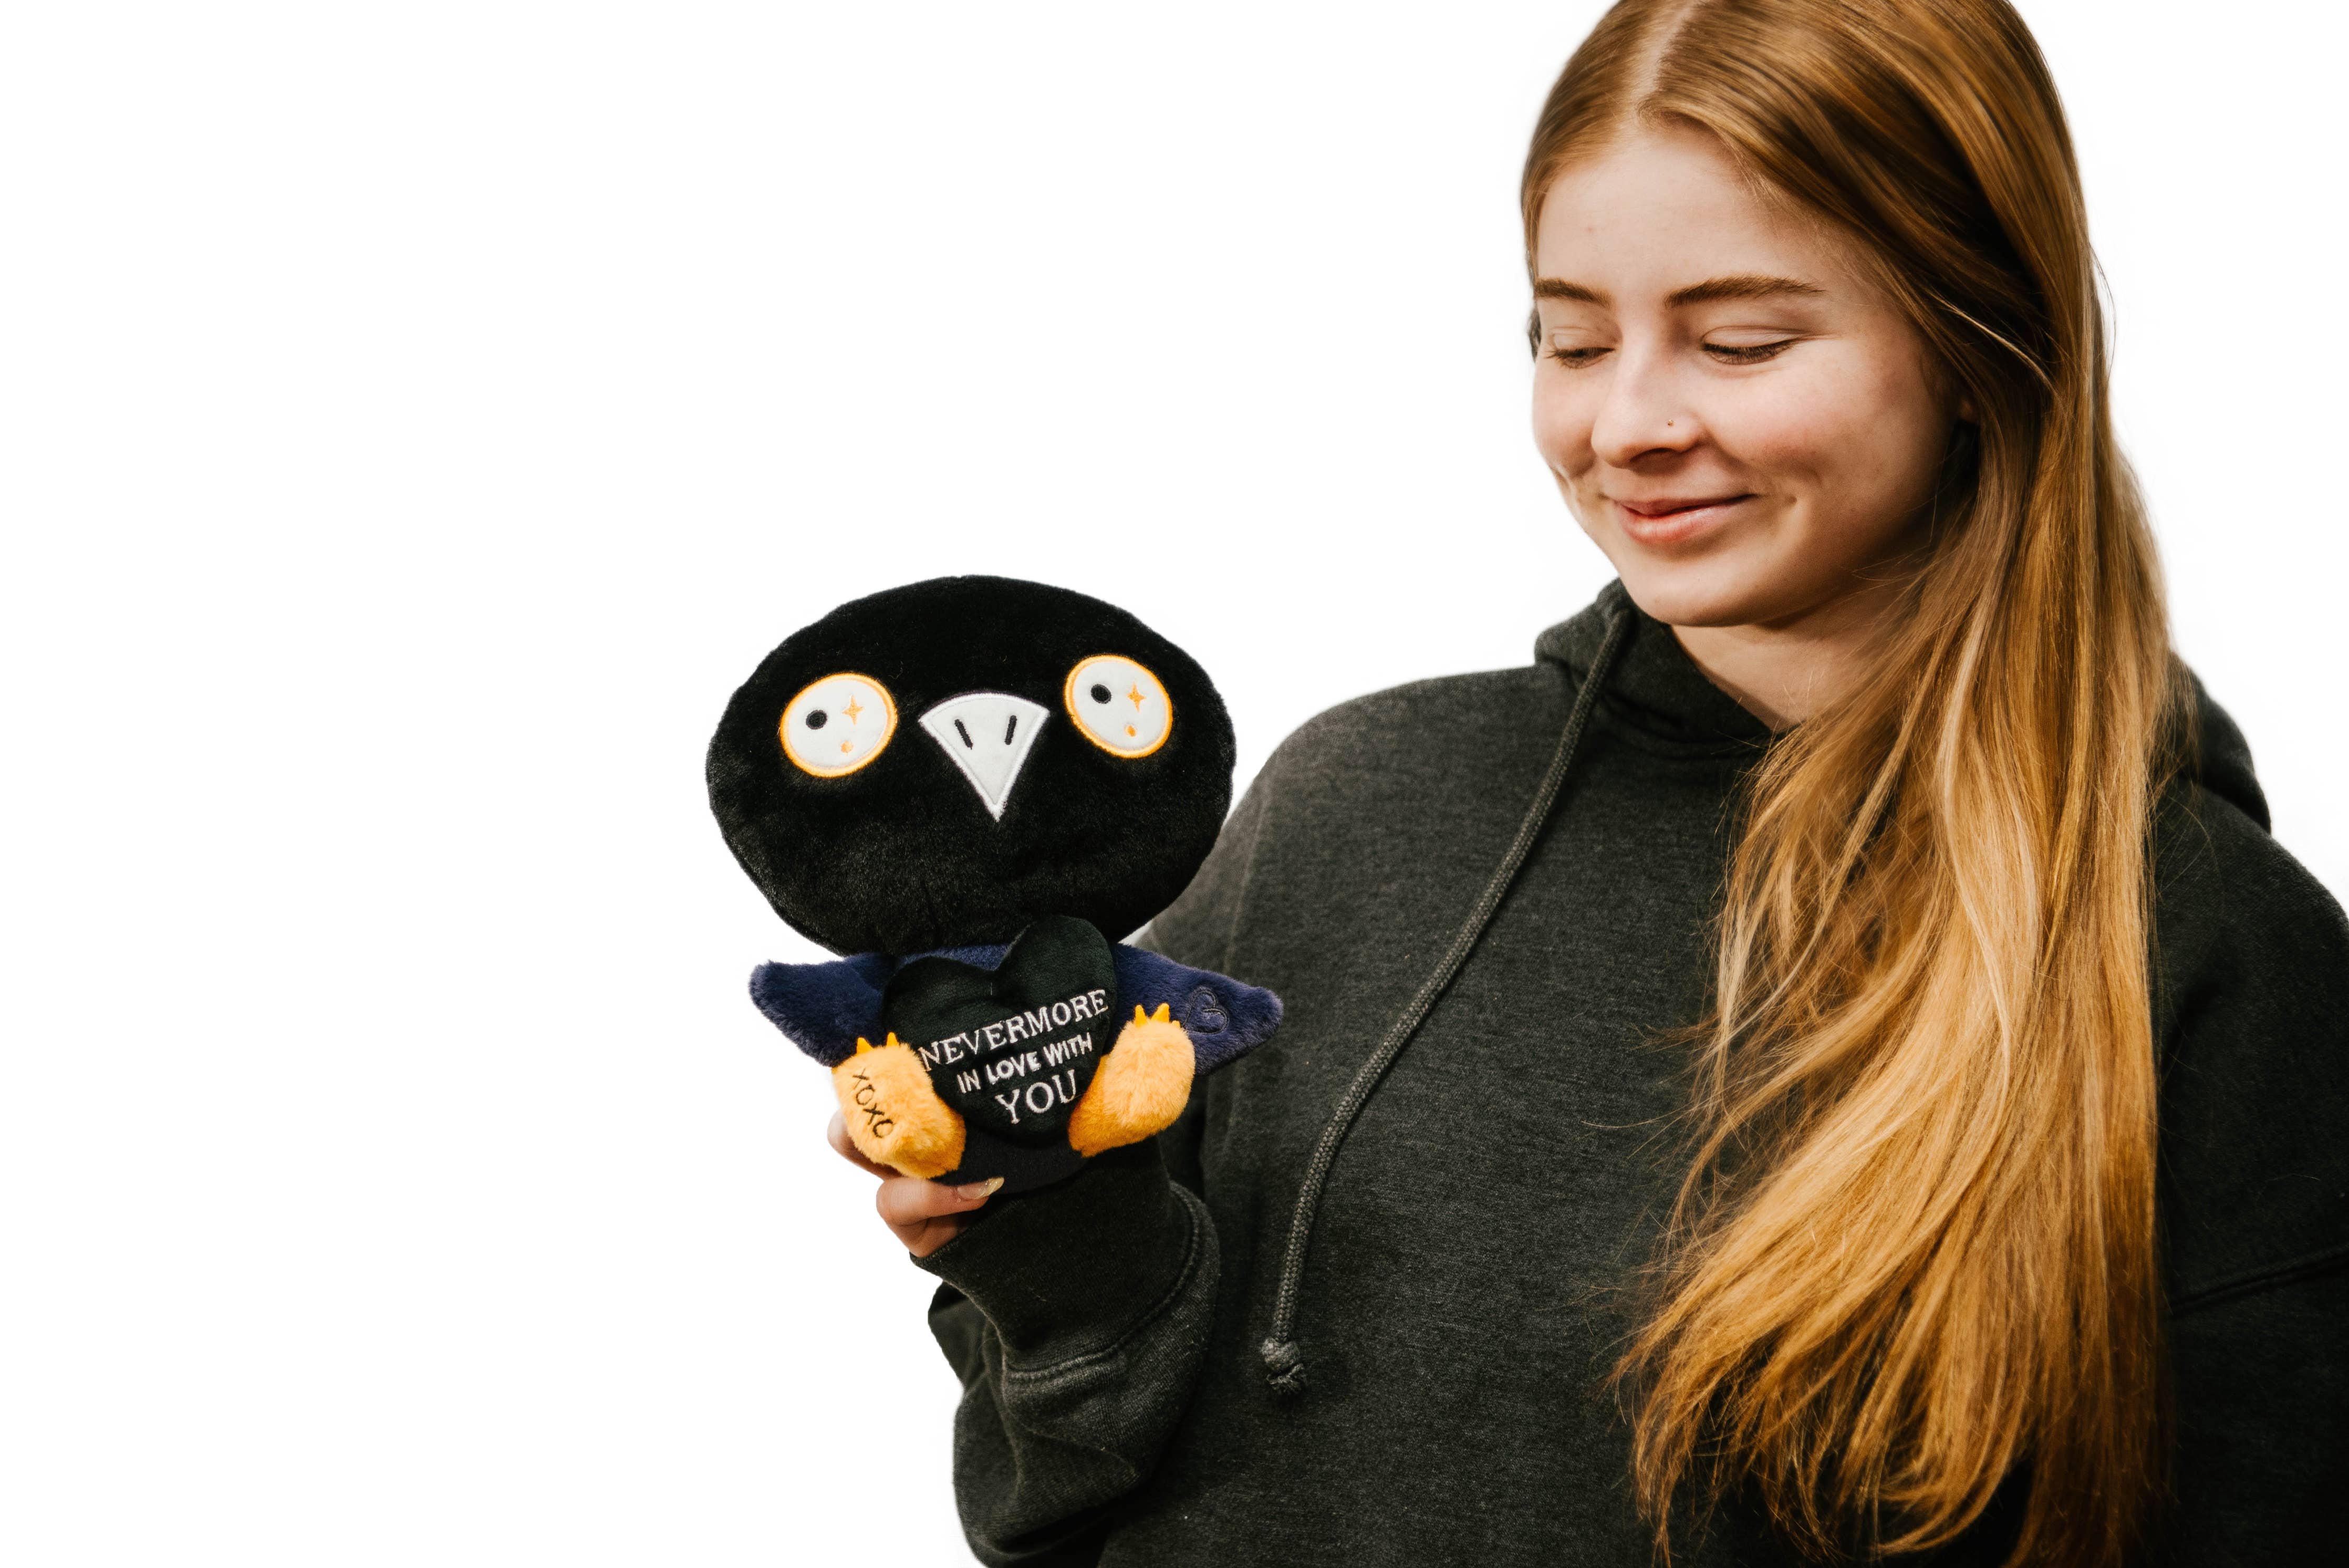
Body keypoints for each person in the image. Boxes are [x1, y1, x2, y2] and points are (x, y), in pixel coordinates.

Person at [826, 1, 2349, 1562]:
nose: (1626, 426)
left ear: (1980, 349)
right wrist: (1047, 1261)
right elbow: (1049, 1496)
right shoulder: (1348, 808)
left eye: (1741, 342)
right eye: (1572, 338)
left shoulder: (2206, 957)